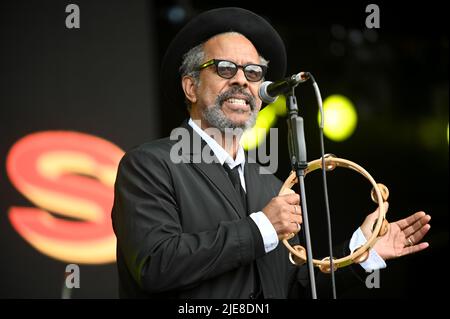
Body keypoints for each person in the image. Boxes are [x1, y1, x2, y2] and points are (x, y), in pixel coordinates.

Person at [111, 7, 431, 299]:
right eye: (224, 68)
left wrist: (360, 251)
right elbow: (156, 264)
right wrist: (262, 226)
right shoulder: (149, 165)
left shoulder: (270, 185)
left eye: (253, 73)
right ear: (190, 87)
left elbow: (290, 289)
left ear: (262, 95)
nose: (241, 80)